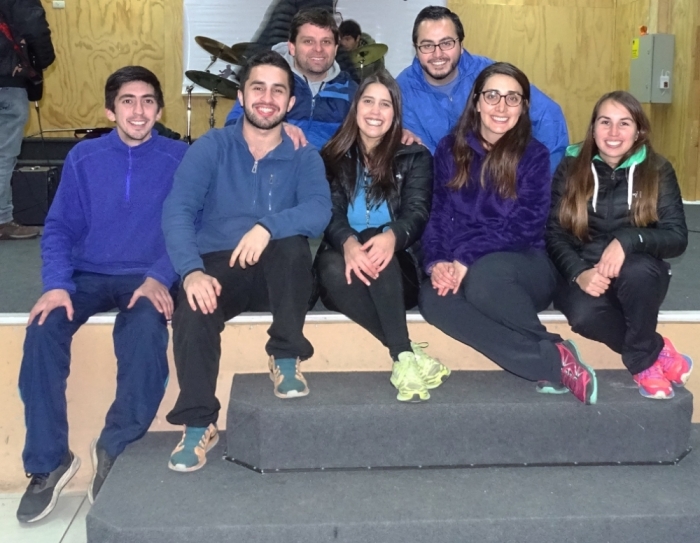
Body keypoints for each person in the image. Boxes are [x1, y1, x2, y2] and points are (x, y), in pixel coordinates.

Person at [16, 66, 186, 522]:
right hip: (85, 275)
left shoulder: (179, 157)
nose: (139, 110)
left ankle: (114, 445)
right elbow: (58, 228)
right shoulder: (83, 157)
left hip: (147, 276)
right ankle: (49, 461)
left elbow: (189, 224)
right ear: (110, 111)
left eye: (148, 101)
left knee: (146, 332)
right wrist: (56, 284)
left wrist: (161, 275)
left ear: (160, 110)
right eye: (128, 101)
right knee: (42, 330)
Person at [163, 50, 332, 473]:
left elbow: (318, 211)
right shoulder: (212, 147)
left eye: (278, 91)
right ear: (241, 96)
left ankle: (285, 355)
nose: (267, 99)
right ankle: (199, 423)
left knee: (292, 246)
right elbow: (178, 210)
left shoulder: (304, 155)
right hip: (222, 265)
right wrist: (191, 271)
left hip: (280, 274)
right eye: (258, 88)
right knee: (193, 306)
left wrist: (267, 227)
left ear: (290, 102)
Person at [418, 62, 597, 405]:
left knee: (486, 277)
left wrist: (466, 259)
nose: (501, 106)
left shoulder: (534, 155)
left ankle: (548, 354)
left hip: (523, 264)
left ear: (523, 107)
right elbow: (438, 214)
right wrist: (438, 261)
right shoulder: (449, 149)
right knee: (433, 299)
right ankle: (550, 358)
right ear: (476, 101)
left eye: (512, 98)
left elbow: (525, 225)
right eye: (492, 96)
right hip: (461, 263)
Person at [546, 90, 692, 400]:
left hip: (638, 274)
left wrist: (627, 240)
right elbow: (554, 233)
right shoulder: (570, 167)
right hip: (586, 270)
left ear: (638, 131)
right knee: (583, 317)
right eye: (605, 122)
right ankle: (657, 350)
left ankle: (642, 363)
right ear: (593, 128)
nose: (613, 132)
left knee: (637, 271)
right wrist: (578, 272)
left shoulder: (657, 169)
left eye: (624, 123)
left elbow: (677, 236)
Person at [314, 70, 449, 402]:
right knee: (328, 266)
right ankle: (405, 353)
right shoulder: (331, 156)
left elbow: (417, 212)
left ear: (395, 113)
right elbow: (328, 211)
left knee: (376, 235)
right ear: (356, 107)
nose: (375, 111)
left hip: (398, 271)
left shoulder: (416, 156)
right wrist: (347, 242)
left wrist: (392, 236)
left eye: (385, 104)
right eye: (368, 102)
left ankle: (401, 351)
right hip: (346, 270)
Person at [396, 5, 568, 173]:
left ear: (461, 45)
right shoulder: (402, 91)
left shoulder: (489, 74)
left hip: (506, 178)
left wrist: (543, 175)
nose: (438, 54)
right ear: (416, 49)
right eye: (427, 45)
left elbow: (548, 115)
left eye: (446, 43)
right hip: (446, 185)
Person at [226, 7, 358, 150]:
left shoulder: (350, 91)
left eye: (326, 42)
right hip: (273, 162)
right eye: (308, 41)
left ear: (336, 49)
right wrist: (274, 129)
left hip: (328, 164)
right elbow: (232, 127)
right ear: (292, 47)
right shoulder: (266, 81)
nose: (318, 49)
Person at [0, 0, 55, 240]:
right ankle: (2, 220)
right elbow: (32, 24)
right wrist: (42, 59)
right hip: (6, 80)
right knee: (3, 154)